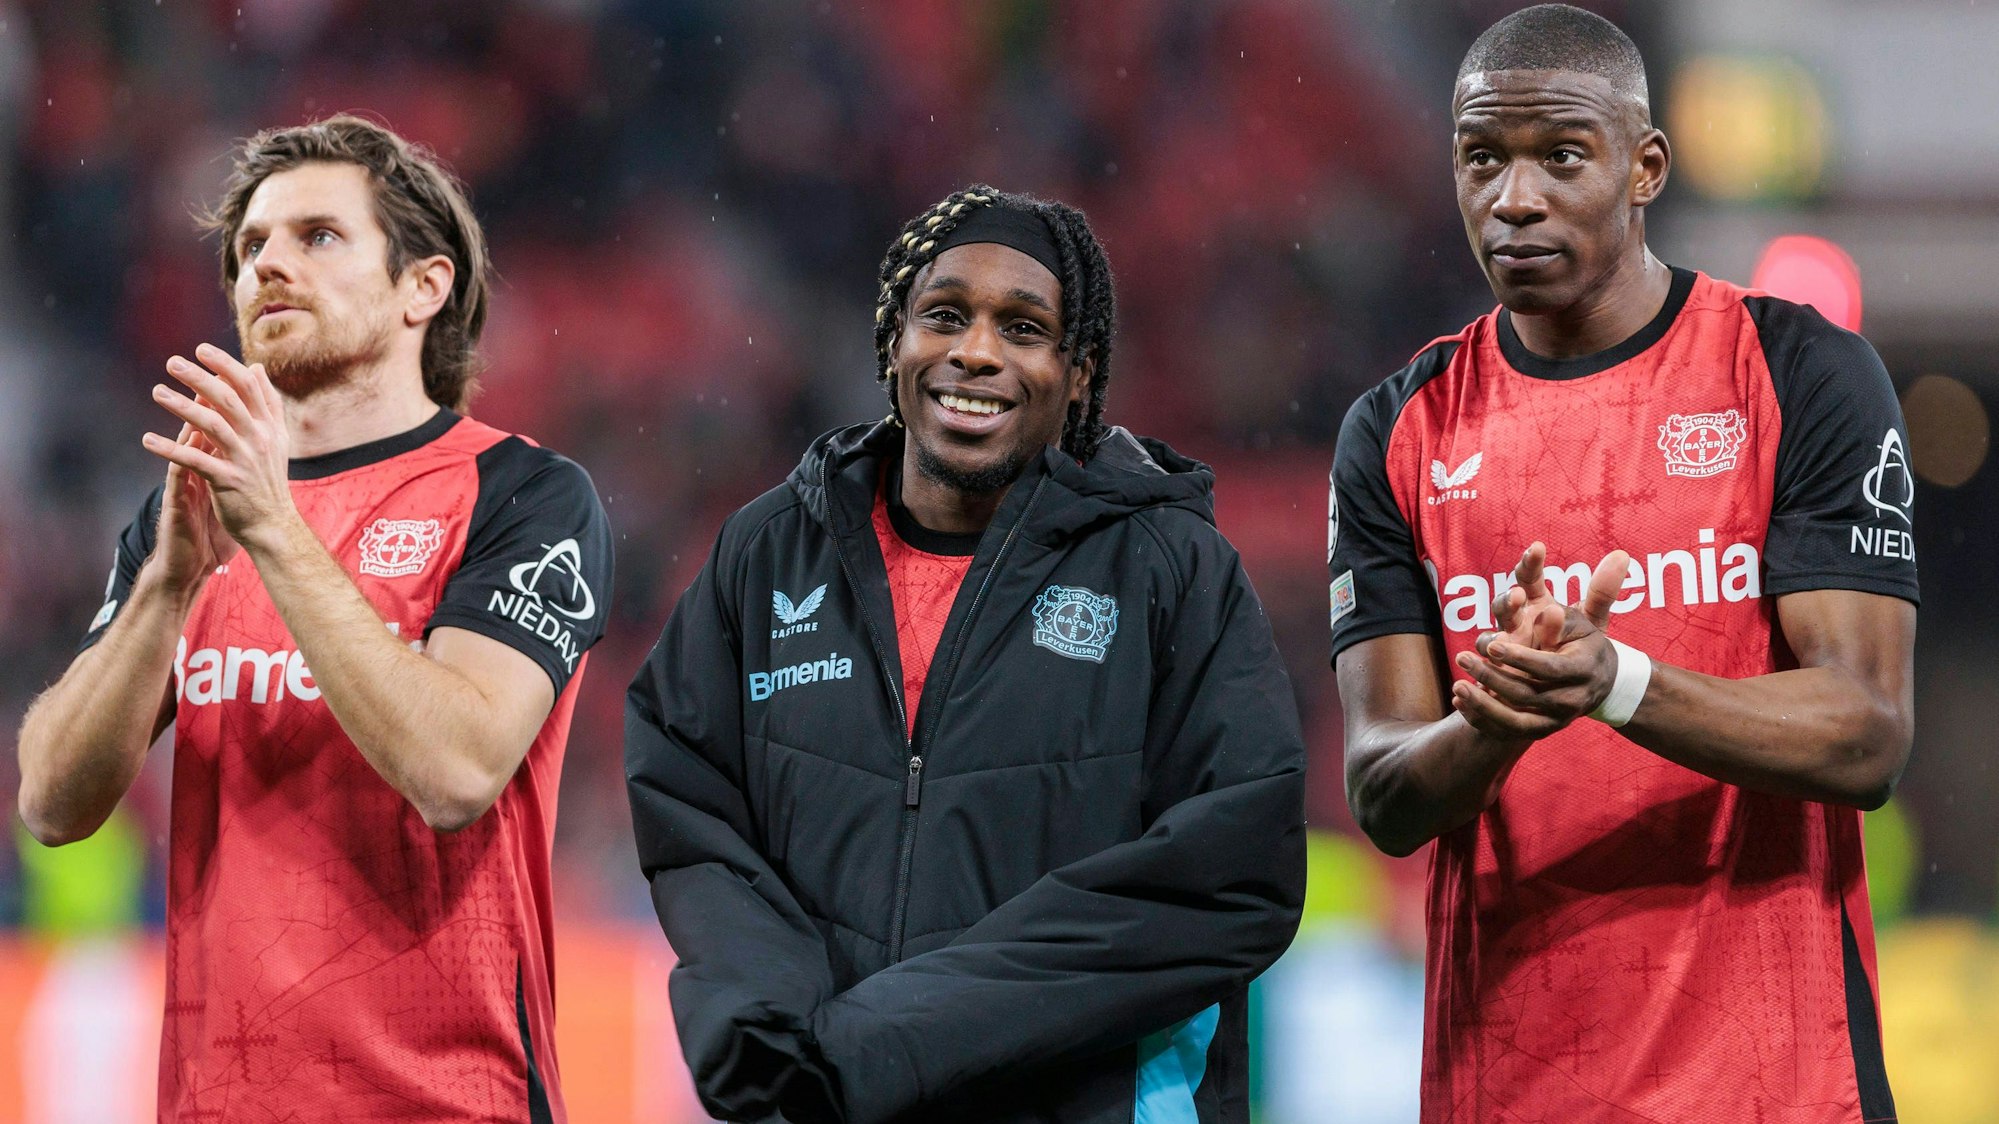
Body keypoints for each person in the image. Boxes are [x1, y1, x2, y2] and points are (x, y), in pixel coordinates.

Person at [1329, 6, 1916, 1121]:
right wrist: (1494, 719)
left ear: (1644, 166)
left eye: (1559, 155)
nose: (1512, 198)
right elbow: (1384, 790)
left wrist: (1614, 684)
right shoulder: (1399, 428)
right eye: (1481, 158)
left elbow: (1865, 730)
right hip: (1509, 1086)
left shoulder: (1796, 372)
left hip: (1780, 1086)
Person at [627, 185, 1306, 1124]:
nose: (975, 352)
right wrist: (761, 1017)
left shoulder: (1169, 569)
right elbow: (689, 806)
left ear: (1078, 373)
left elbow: (1233, 870)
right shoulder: (768, 551)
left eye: (1023, 329)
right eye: (943, 316)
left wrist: (885, 1038)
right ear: (892, 343)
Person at [15, 115, 613, 1121]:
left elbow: (458, 768)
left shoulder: (523, 494)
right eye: (251, 247)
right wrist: (164, 588)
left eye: (318, 237)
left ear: (424, 287)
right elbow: (51, 802)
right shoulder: (191, 517)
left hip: (446, 1103)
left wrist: (279, 536)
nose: (268, 266)